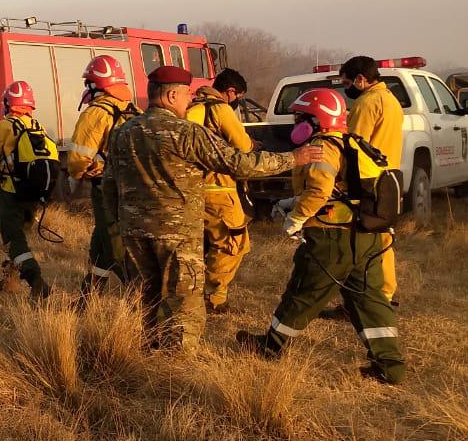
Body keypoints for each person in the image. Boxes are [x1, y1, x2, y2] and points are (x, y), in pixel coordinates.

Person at [103, 66, 320, 355]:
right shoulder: (187, 133)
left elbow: (109, 184)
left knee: (145, 294)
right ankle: (175, 363)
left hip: (134, 232)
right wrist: (292, 159)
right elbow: (239, 164)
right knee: (184, 302)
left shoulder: (122, 133)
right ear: (171, 95)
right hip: (177, 234)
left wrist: (120, 222)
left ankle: (144, 352)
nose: (189, 101)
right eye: (186, 95)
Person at [237, 88, 406, 384]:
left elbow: (319, 190)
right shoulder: (352, 142)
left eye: (300, 118)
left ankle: (270, 347)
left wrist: (296, 218)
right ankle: (390, 366)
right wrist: (292, 202)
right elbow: (343, 191)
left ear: (315, 120)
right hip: (366, 238)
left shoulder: (321, 146)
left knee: (304, 292)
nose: (296, 124)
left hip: (332, 239)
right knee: (370, 300)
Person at [68, 55, 140, 299]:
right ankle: (87, 299)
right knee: (101, 243)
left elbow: (78, 158)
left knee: (113, 243)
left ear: (95, 84)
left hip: (106, 188)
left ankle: (143, 300)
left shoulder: (95, 113)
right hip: (134, 187)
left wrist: (77, 174)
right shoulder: (134, 110)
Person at [0, 80, 59, 300]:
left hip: (11, 191)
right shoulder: (37, 126)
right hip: (33, 193)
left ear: (8, 103)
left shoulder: (4, 126)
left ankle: (36, 280)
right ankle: (9, 280)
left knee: (13, 239)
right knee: (20, 235)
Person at [185, 68, 253, 314]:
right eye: (239, 97)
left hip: (191, 191)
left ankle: (191, 291)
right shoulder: (220, 109)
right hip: (219, 190)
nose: (237, 102)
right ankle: (214, 298)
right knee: (231, 244)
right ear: (231, 91)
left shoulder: (191, 107)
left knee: (201, 245)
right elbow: (243, 146)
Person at [340, 55, 404, 306]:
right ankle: (383, 294)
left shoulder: (367, 103)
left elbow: (354, 145)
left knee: (366, 242)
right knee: (383, 238)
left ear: (360, 79)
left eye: (347, 83)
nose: (346, 89)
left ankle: (369, 299)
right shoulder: (390, 100)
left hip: (368, 180)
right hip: (388, 178)